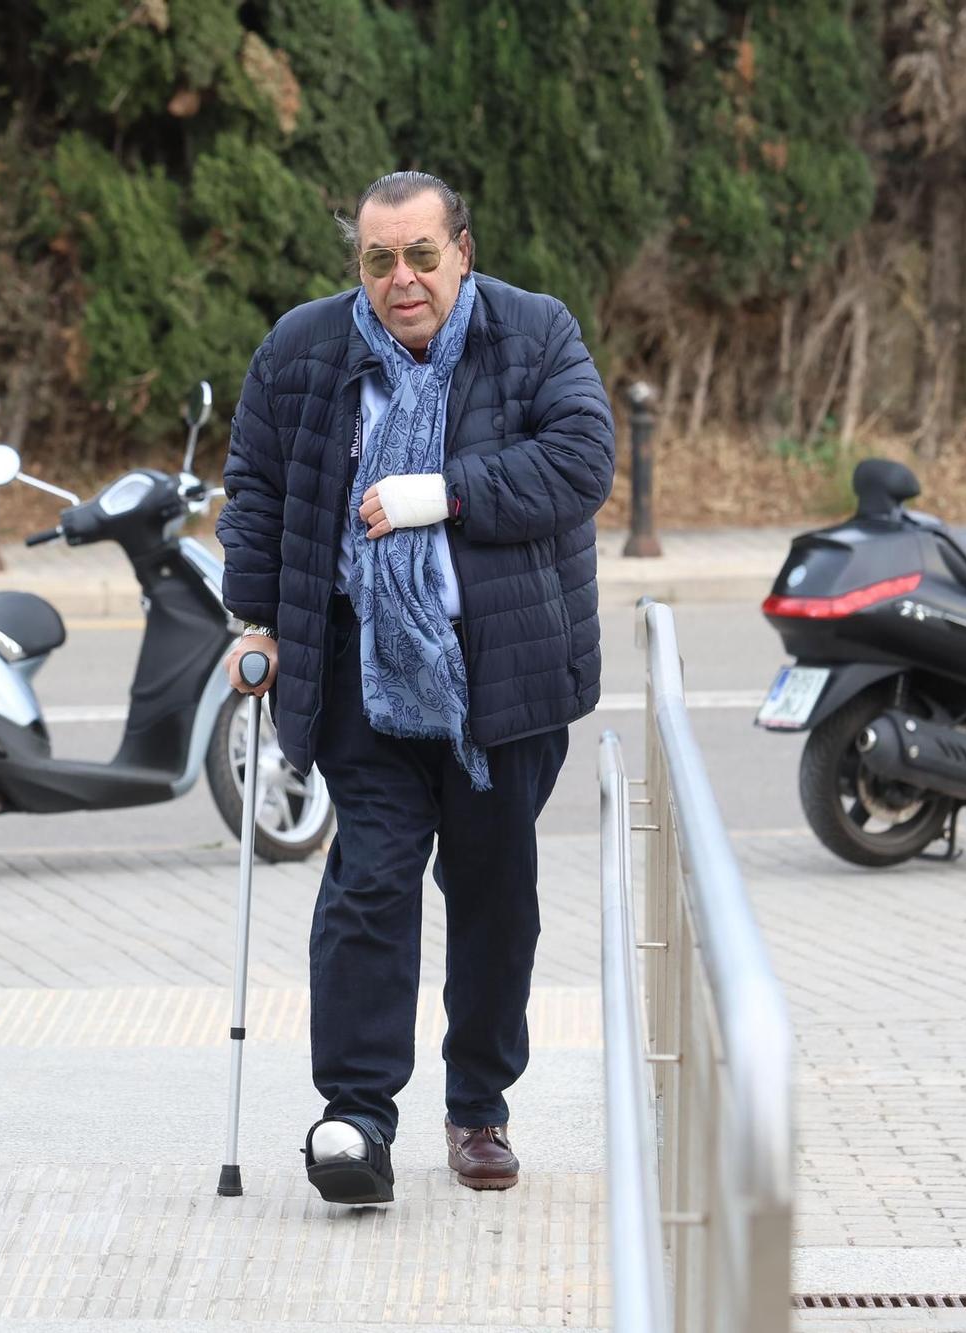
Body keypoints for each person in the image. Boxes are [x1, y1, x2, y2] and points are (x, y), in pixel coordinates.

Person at [215, 171, 614, 1205]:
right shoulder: (304, 348)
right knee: (369, 882)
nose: (400, 280)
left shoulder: (532, 333)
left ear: (461, 252)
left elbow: (578, 461)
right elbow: (256, 483)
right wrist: (251, 617)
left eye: (420, 257)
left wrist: (439, 494)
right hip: (359, 671)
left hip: (501, 679)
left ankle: (478, 1105)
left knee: (492, 898)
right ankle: (354, 1116)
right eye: (377, 260)